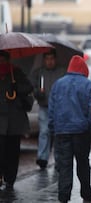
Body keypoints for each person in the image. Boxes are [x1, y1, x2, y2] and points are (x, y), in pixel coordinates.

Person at [48, 55, 91, 203]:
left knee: (64, 165)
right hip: (81, 131)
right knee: (83, 164)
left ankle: (63, 196)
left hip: (62, 131)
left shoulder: (58, 84)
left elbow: (52, 108)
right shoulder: (88, 85)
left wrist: (52, 126)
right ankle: (86, 194)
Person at [0, 50, 33, 190]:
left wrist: (17, 88)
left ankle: (10, 178)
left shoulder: (16, 73)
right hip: (0, 120)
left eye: (3, 60)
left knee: (12, 152)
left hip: (14, 120)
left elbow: (28, 87)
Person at [29, 49, 66, 169]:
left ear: (55, 59)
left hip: (58, 108)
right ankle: (42, 157)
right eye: (47, 59)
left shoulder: (62, 72)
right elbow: (32, 87)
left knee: (57, 134)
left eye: (52, 59)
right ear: (44, 60)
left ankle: (58, 159)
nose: (49, 62)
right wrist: (38, 93)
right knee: (44, 132)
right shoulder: (39, 73)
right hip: (44, 106)